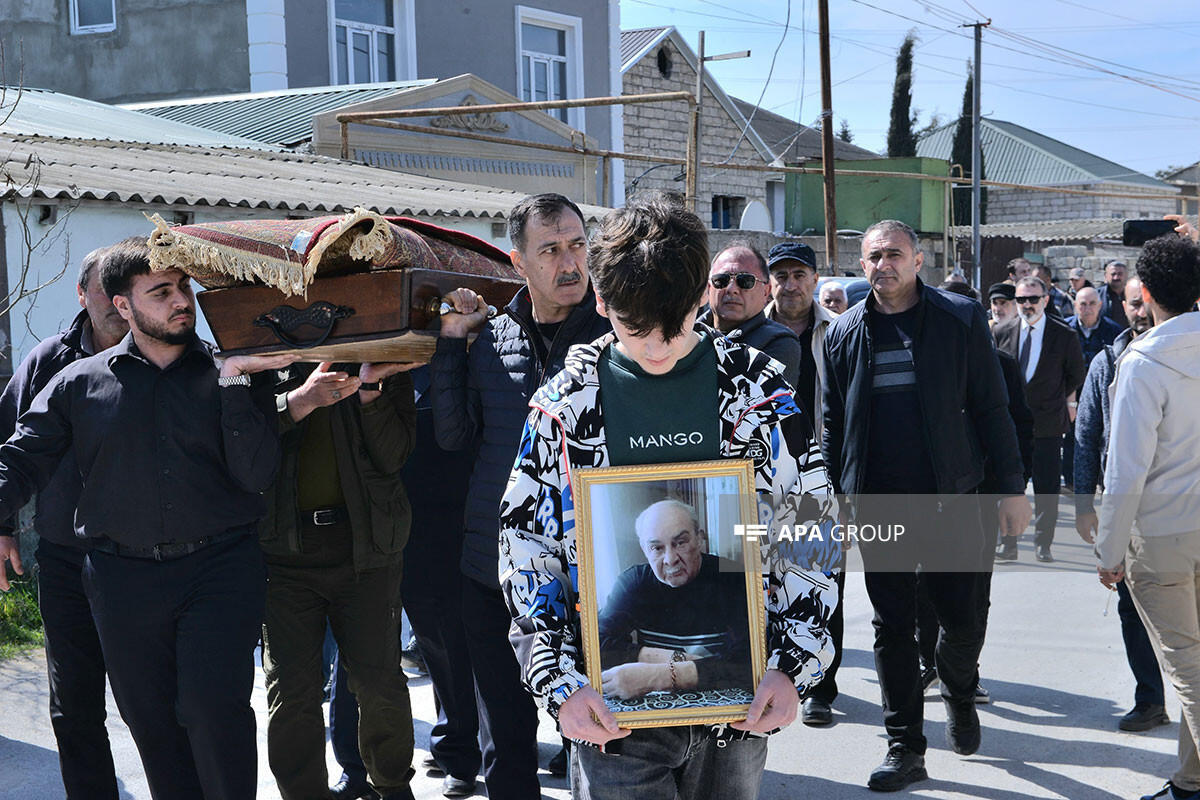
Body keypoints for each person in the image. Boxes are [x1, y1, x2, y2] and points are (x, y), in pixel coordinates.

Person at [499, 198, 838, 800]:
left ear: (701, 299)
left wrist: (795, 667)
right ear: (602, 303)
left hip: (737, 714)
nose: (657, 349)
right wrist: (559, 685)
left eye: (676, 326)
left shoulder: (759, 394)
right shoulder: (565, 407)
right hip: (614, 726)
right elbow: (527, 547)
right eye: (635, 330)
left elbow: (808, 527)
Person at [0, 239, 294, 800]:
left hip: (219, 570)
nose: (182, 301)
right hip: (120, 580)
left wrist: (235, 382)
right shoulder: (78, 383)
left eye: (184, 288)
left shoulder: (228, 370)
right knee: (152, 724)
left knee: (213, 711)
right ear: (123, 306)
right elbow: (18, 459)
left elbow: (258, 474)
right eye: (161, 292)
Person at [822, 219, 1030, 792]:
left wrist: (1011, 487)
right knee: (892, 628)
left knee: (961, 624)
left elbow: (992, 407)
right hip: (879, 504)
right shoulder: (842, 333)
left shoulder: (958, 320)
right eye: (870, 257)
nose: (881, 265)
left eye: (893, 254)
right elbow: (832, 422)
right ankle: (905, 747)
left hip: (954, 498)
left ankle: (960, 694)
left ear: (918, 260)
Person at [431, 192, 611, 799]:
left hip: (586, 574)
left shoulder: (616, 341)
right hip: (493, 568)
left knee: (596, 741)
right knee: (505, 746)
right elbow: (452, 434)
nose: (570, 263)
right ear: (519, 261)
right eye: (551, 249)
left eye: (578, 246)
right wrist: (452, 343)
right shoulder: (491, 339)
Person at [0, 244, 128, 799]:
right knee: (74, 703)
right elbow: (10, 445)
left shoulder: (168, 356)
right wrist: (4, 524)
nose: (116, 303)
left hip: (141, 560)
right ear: (83, 294)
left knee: (157, 701)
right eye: (105, 288)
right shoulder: (49, 360)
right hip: (64, 555)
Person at [257, 357, 418, 800]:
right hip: (285, 554)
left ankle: (392, 789)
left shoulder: (380, 346)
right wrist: (298, 401)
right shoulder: (262, 348)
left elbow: (394, 453)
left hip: (366, 549)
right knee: (291, 692)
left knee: (378, 682)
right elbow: (241, 440)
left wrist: (369, 392)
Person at [1094, 234, 1200, 800]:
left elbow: (1126, 471)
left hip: (1160, 537)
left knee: (1187, 671)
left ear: (1149, 291)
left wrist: (1109, 553)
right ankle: (1189, 782)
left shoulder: (1142, 361)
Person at [1073, 276, 1168, 734]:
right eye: (1134, 303)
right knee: (1132, 607)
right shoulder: (1106, 362)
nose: (1141, 311)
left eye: (1148, 302)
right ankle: (1150, 699)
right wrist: (1083, 504)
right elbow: (1087, 435)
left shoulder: (1181, 356)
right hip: (1125, 503)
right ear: (1124, 306)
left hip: (1177, 503)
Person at [764, 240, 842, 725]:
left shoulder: (839, 332)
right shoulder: (750, 332)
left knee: (821, 582)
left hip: (821, 479)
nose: (790, 284)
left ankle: (821, 686)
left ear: (814, 279)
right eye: (781, 275)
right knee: (766, 581)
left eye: (799, 275)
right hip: (766, 479)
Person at [597, 500, 751, 701]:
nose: (670, 559)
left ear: (700, 538)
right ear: (645, 550)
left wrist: (657, 676)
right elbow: (597, 645)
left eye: (680, 543)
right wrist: (681, 660)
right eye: (657, 548)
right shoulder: (633, 582)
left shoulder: (734, 577)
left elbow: (750, 663)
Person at [992, 276, 1085, 562]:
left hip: (1047, 424)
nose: (1027, 305)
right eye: (1021, 300)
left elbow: (1076, 374)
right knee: (1010, 487)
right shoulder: (1001, 332)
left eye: (1033, 299)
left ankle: (1043, 543)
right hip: (1011, 427)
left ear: (1045, 300)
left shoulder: (1063, 335)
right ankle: (1008, 543)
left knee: (1047, 490)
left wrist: (1062, 399)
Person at [701, 242, 801, 388]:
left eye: (745, 281)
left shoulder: (780, 342)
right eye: (721, 280)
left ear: (766, 292)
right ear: (709, 288)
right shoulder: (686, 332)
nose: (731, 289)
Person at [1061, 286, 1122, 491]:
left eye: (1092, 304)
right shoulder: (1065, 329)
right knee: (1073, 436)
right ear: (1075, 306)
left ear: (1100, 305)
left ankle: (1099, 479)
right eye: (1082, 304)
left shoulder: (1113, 331)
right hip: (1072, 391)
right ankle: (1071, 481)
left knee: (1100, 435)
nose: (1087, 309)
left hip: (1101, 392)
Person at [1096, 259, 1131, 329]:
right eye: (1113, 274)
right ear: (1106, 276)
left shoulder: (1133, 295)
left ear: (1126, 275)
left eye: (1120, 274)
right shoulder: (1097, 295)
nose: (1116, 277)